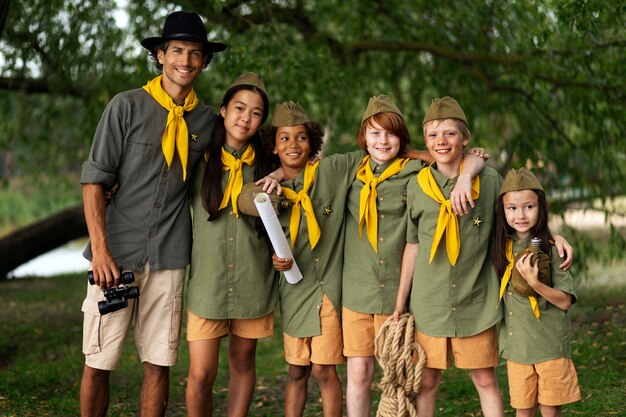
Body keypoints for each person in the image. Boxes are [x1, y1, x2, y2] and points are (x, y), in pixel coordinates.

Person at [79, 11, 226, 417]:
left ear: (204, 61)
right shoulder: (125, 107)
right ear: (160, 56)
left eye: (195, 53)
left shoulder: (207, 121)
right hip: (116, 255)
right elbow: (94, 181)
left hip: (169, 256)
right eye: (177, 50)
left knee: (159, 364)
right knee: (98, 361)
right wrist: (101, 251)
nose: (186, 60)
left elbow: (244, 152)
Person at [393, 97, 573, 417]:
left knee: (485, 379)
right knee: (428, 381)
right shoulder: (417, 186)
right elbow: (412, 245)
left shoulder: (488, 181)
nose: (441, 142)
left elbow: (521, 214)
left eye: (450, 134)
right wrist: (399, 303)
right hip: (429, 301)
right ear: (426, 141)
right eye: (433, 136)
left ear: (465, 138)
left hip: (477, 299)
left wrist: (551, 237)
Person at [340, 94, 487, 417]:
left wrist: (470, 166)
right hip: (358, 290)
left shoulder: (418, 171)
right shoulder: (348, 171)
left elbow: (457, 159)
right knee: (359, 372)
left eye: (390, 133)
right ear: (363, 137)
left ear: (403, 140)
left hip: (400, 290)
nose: (382, 140)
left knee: (399, 376)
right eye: (374, 133)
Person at [185, 72, 277, 417]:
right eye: (239, 108)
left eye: (255, 113)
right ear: (223, 111)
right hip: (207, 285)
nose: (246, 118)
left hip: (253, 279)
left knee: (242, 362)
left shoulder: (269, 166)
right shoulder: (199, 160)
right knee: (200, 373)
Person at [266, 101, 364, 417]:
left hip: (327, 292)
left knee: (324, 370)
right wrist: (275, 260)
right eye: (284, 138)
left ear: (313, 142)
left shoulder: (331, 171)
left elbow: (381, 152)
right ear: (273, 145)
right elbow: (268, 239)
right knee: (297, 371)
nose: (293, 145)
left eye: (301, 137)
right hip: (295, 290)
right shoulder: (271, 192)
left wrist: (449, 160)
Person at [492, 167, 580, 417]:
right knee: (523, 410)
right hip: (518, 346)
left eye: (529, 207)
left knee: (550, 410)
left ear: (541, 207)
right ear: (503, 210)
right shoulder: (501, 246)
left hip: (549, 344)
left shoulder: (553, 250)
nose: (521, 214)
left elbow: (564, 302)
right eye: (512, 208)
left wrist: (536, 283)